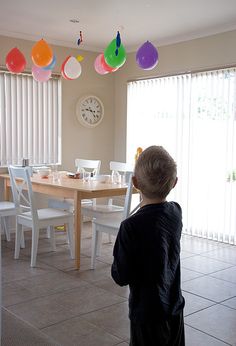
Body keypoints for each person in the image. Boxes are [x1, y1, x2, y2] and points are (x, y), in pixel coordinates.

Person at [111, 145, 185, 346]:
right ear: (174, 183)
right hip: (174, 308)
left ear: (135, 182)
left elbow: (121, 276)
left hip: (146, 314)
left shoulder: (130, 227)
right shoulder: (176, 212)